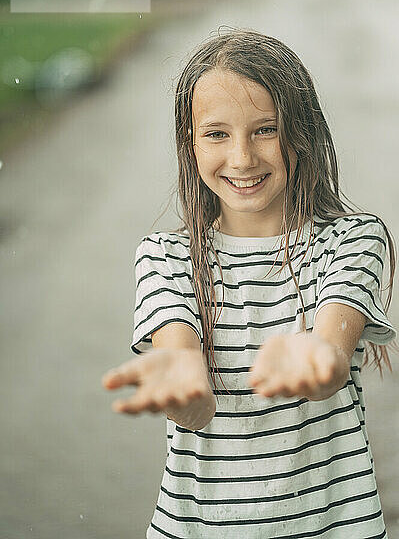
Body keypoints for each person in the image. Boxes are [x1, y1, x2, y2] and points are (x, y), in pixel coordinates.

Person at [102, 28, 398, 538]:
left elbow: (329, 356)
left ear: (301, 132)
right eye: (217, 134)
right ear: (189, 143)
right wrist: (181, 390)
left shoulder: (353, 240)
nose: (242, 158)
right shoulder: (166, 257)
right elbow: (188, 381)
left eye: (265, 130)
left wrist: (318, 360)